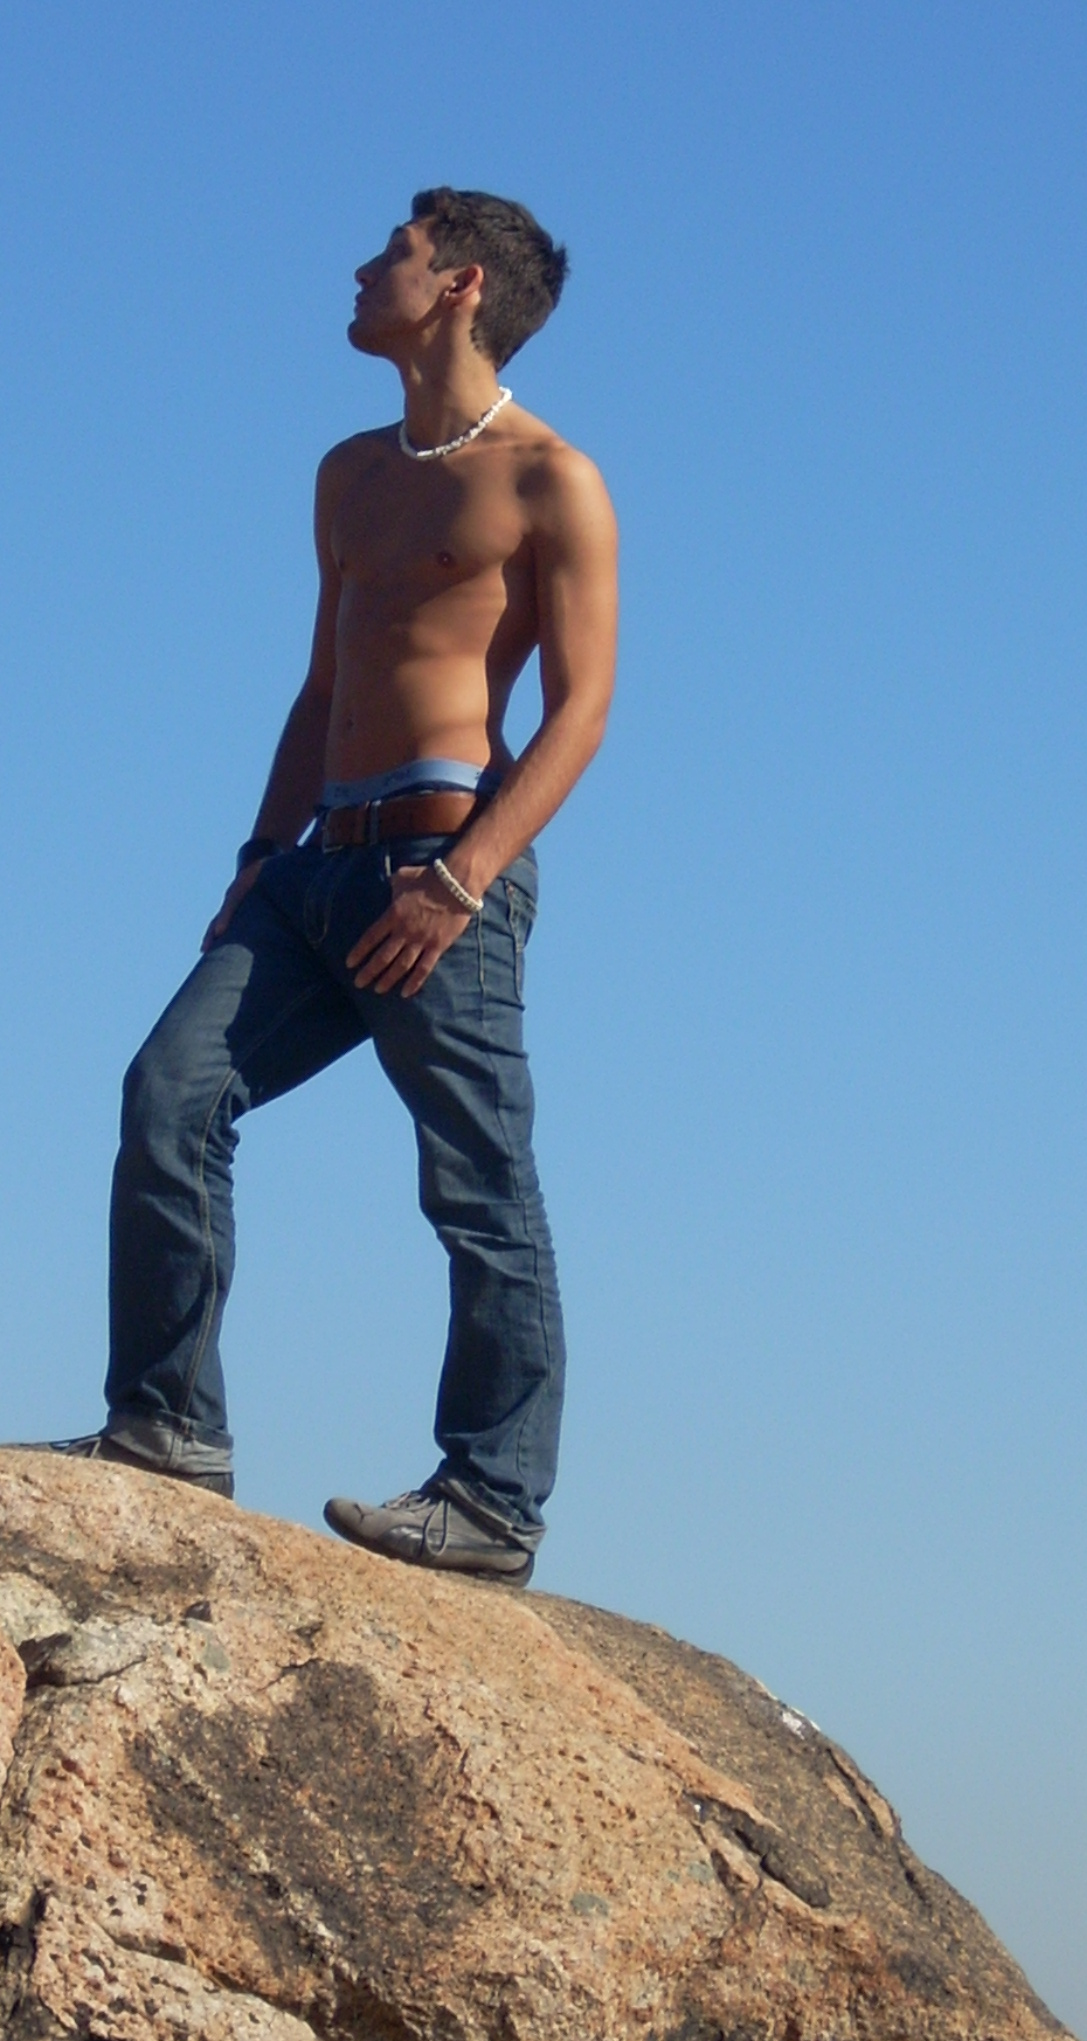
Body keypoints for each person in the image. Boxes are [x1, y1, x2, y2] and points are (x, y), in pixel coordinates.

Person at [32, 188, 618, 1586]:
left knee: (475, 1181)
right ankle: (169, 1425)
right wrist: (256, 858)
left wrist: (463, 881)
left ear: (460, 285)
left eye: (393, 255)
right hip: (313, 869)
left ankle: (492, 1499)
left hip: (442, 865)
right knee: (169, 1096)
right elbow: (321, 688)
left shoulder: (551, 477)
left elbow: (583, 711)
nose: (361, 271)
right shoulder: (349, 473)